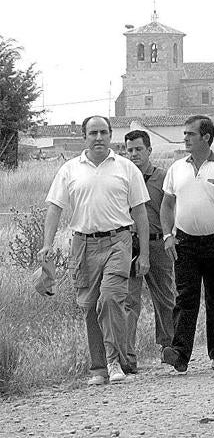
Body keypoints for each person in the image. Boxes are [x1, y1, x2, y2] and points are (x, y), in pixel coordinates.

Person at [39, 115, 150, 385]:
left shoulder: (126, 168)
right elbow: (55, 207)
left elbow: (140, 212)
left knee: (111, 298)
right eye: (93, 133)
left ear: (111, 135)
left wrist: (144, 254)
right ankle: (99, 367)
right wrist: (47, 244)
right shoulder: (69, 170)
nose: (98, 137)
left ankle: (114, 362)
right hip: (83, 245)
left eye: (103, 132)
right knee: (89, 306)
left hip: (118, 241)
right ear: (84, 137)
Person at [160, 115, 214, 373]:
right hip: (184, 241)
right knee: (185, 297)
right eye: (185, 134)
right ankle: (180, 353)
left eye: (190, 134)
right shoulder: (177, 168)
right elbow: (167, 204)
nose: (185, 138)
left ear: (206, 137)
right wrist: (167, 235)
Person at [124, 130, 176, 372]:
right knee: (128, 301)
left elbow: (172, 209)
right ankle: (127, 356)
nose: (134, 154)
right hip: (129, 244)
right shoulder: (122, 178)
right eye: (130, 150)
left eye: (138, 149)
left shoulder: (163, 178)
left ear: (149, 151)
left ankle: (169, 349)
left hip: (157, 244)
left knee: (165, 298)